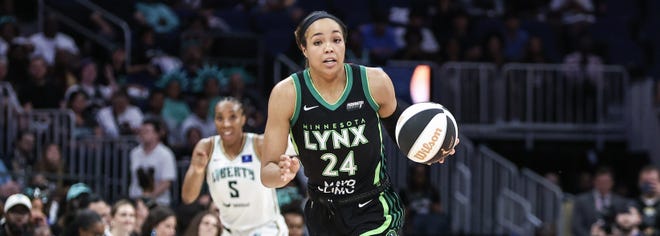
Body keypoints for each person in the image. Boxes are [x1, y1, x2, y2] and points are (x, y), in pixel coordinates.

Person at [260, 11, 458, 235]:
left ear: (345, 44)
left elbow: (402, 132)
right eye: (317, 42)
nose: (329, 48)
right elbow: (267, 171)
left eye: (336, 39)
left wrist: (432, 146)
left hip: (373, 206)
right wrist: (281, 175)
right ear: (304, 49)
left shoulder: (374, 82)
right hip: (322, 212)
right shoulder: (287, 94)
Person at [181, 98, 288, 235]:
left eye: (232, 117)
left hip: (265, 228)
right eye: (220, 118)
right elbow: (188, 198)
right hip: (229, 230)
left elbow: (279, 175)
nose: (226, 124)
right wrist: (197, 170)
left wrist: (283, 171)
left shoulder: (258, 144)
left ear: (243, 119)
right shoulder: (206, 147)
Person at [128, 119, 177, 206]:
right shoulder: (134, 153)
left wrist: (148, 198)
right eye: (141, 131)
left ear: (157, 134)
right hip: (136, 200)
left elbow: (166, 182)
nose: (142, 134)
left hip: (159, 202)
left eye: (147, 131)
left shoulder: (166, 154)